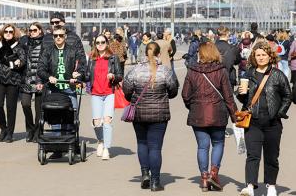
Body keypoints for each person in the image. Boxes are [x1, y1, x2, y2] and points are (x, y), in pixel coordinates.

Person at [181, 42, 238, 191]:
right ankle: (214, 173)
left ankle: (204, 178)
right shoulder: (221, 71)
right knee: (218, 143)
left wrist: (193, 106)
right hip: (218, 113)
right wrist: (235, 116)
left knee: (202, 146)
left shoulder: (192, 71)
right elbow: (228, 96)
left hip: (198, 114)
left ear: (200, 53)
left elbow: (185, 95)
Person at [237, 42, 291, 196]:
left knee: (272, 156)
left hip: (272, 123)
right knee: (252, 155)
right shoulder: (248, 74)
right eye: (257, 55)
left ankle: (271, 185)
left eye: (263, 55)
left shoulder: (277, 75)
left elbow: (288, 96)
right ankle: (249, 185)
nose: (260, 58)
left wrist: (279, 113)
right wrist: (241, 93)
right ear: (254, 57)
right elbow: (242, 98)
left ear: (269, 56)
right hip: (253, 121)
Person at [123, 42, 178, 191]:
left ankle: (145, 174)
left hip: (139, 114)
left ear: (145, 53)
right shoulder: (165, 71)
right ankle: (155, 182)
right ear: (159, 54)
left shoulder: (135, 71)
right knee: (155, 147)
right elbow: (173, 91)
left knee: (142, 143)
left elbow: (126, 89)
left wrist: (132, 99)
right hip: (159, 115)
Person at [37, 26, 86, 158]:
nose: (58, 37)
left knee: (72, 116)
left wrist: (78, 75)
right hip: (53, 90)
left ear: (65, 37)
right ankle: (57, 147)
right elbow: (40, 68)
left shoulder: (72, 51)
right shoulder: (47, 51)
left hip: (69, 88)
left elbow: (82, 67)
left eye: (61, 35)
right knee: (54, 117)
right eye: (55, 35)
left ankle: (71, 144)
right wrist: (48, 77)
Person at [0, 24, 26, 143]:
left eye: (10, 32)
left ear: (14, 33)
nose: (8, 33)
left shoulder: (18, 46)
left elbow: (23, 60)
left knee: (11, 108)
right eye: (6, 31)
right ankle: (3, 128)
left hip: (13, 80)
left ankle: (10, 133)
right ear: (3, 33)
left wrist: (18, 62)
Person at [85, 34, 122, 160]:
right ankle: (100, 141)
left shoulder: (113, 58)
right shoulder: (92, 58)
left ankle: (106, 148)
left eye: (102, 42)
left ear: (107, 43)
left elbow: (120, 75)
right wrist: (77, 76)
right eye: (97, 42)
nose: (100, 44)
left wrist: (113, 76)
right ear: (95, 44)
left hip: (109, 93)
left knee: (107, 122)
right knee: (97, 123)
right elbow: (87, 74)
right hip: (96, 94)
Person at [20, 22, 44, 142]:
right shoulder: (25, 43)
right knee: (25, 104)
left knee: (39, 109)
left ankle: (37, 132)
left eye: (34, 30)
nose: (32, 32)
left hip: (40, 80)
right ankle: (30, 129)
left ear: (40, 31)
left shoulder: (45, 44)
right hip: (27, 79)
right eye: (30, 30)